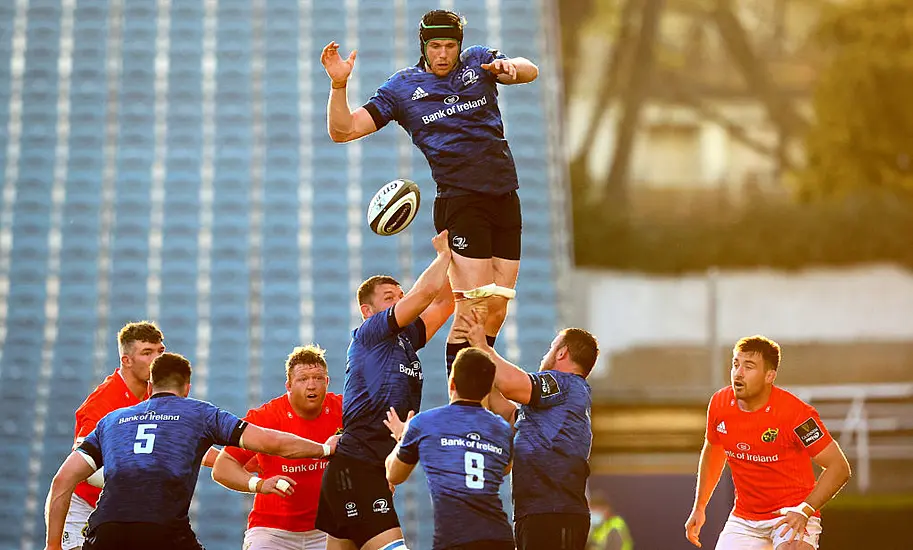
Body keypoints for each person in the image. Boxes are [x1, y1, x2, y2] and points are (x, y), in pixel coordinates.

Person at [320, 9, 540, 375]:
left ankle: (477, 390)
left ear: (460, 46)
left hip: (505, 195)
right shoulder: (403, 88)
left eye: (450, 45)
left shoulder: (480, 62)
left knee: (497, 309)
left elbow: (529, 69)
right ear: (423, 46)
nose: (442, 54)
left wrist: (512, 69)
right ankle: (465, 405)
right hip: (461, 200)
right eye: (435, 46)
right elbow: (343, 131)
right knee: (475, 307)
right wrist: (339, 85)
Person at [43, 352, 340, 550]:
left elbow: (62, 481)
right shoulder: (198, 414)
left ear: (151, 385)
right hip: (163, 529)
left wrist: (53, 545)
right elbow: (272, 443)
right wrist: (323, 449)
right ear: (187, 386)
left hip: (106, 529)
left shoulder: (113, 420)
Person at [315, 230, 454, 550]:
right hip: (357, 465)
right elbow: (426, 293)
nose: (400, 301)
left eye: (400, 295)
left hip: (368, 469)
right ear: (367, 310)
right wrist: (443, 254)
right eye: (391, 297)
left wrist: (455, 255)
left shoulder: (407, 339)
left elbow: (446, 302)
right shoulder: (370, 333)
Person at [684, 335, 852, 550]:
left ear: (769, 376)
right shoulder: (719, 403)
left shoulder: (797, 414)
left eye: (749, 366)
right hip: (745, 520)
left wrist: (805, 510)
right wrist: (700, 506)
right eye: (736, 364)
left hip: (792, 514)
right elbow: (714, 450)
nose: (739, 372)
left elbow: (839, 467)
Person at [454, 313, 600, 550]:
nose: (547, 354)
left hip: (555, 512)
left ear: (562, 353)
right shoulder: (556, 402)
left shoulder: (563, 383)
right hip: (537, 512)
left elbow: (513, 385)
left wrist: (483, 347)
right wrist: (478, 368)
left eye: (551, 348)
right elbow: (507, 411)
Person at [211, 344, 343, 550]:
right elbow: (222, 467)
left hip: (329, 529)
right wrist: (259, 484)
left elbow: (376, 441)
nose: (312, 385)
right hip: (271, 530)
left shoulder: (346, 409)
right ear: (288, 386)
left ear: (327, 382)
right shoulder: (265, 417)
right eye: (303, 379)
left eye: (318, 378)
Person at [384, 347, 514, 550]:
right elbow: (504, 468)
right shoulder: (502, 429)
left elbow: (394, 475)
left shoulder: (425, 423)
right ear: (488, 390)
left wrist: (403, 436)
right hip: (500, 539)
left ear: (452, 382)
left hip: (455, 540)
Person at [60, 321, 165, 550]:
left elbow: (183, 438)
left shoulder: (158, 396)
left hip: (123, 511)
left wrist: (228, 461)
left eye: (160, 351)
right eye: (147, 353)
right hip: (86, 508)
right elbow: (86, 472)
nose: (157, 359)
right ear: (126, 360)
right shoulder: (102, 404)